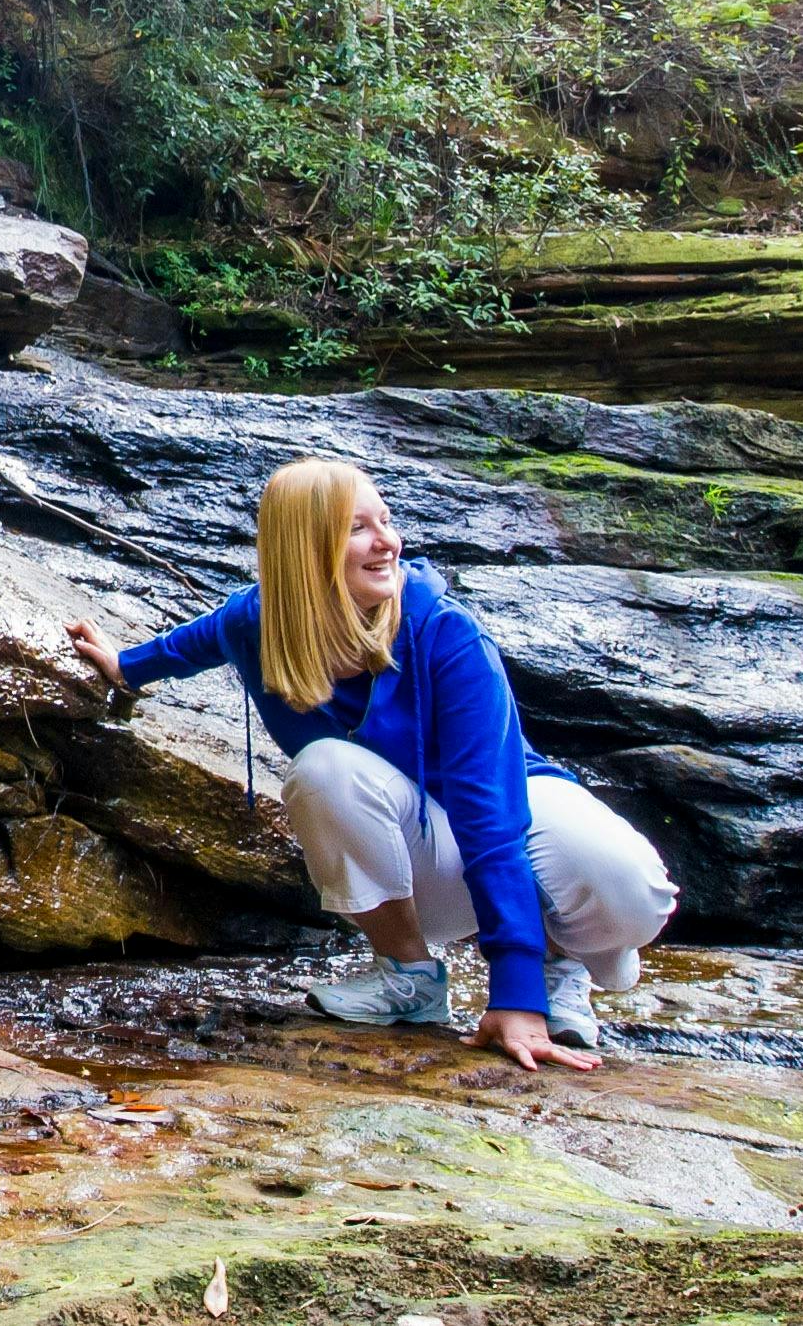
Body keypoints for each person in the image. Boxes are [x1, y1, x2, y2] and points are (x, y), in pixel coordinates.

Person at [65, 457, 676, 1071]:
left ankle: (556, 964)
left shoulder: (446, 633)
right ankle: (409, 979)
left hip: (508, 811)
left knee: (629, 886)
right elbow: (187, 645)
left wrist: (513, 995)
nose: (388, 542)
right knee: (325, 769)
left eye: (386, 521)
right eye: (359, 529)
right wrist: (124, 666)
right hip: (419, 854)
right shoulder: (257, 621)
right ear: (305, 550)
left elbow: (488, 819)